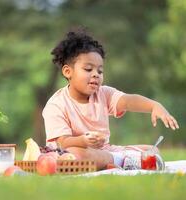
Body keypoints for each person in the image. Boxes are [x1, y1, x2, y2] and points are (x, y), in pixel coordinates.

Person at [42, 27, 179, 170]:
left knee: (152, 150)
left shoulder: (104, 93)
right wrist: (83, 141)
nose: (96, 74)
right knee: (76, 155)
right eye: (88, 69)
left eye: (100, 71)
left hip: (106, 152)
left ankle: (120, 161)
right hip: (71, 152)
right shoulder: (56, 105)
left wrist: (154, 106)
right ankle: (124, 161)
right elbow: (62, 143)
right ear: (68, 71)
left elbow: (128, 101)